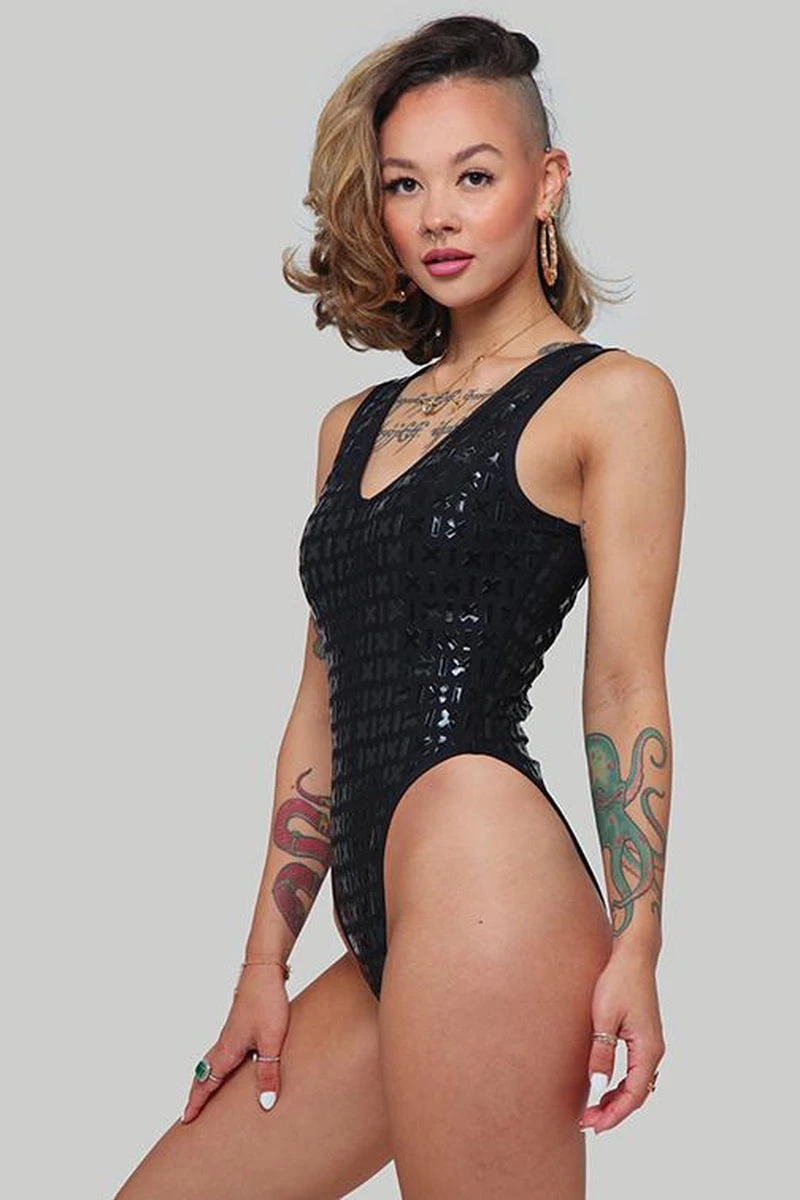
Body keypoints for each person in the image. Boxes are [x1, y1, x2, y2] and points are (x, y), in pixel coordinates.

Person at [115, 14, 683, 1199]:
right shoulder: (353, 426)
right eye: (403, 184)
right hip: (383, 919)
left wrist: (637, 939)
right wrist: (263, 962)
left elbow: (624, 680)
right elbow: (318, 702)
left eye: (473, 177)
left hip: (483, 871)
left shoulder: (609, 399)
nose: (436, 216)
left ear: (545, 184)